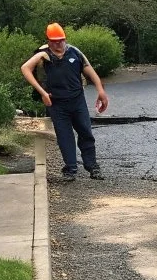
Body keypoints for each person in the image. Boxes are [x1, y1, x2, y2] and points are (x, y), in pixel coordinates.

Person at [21, 23, 109, 181]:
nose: (58, 44)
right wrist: (42, 93)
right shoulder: (44, 55)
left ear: (65, 39)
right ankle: (70, 169)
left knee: (85, 132)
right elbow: (25, 68)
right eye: (54, 41)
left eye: (60, 40)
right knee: (65, 136)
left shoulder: (74, 52)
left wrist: (101, 91)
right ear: (48, 41)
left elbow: (90, 70)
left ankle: (92, 167)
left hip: (77, 100)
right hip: (57, 104)